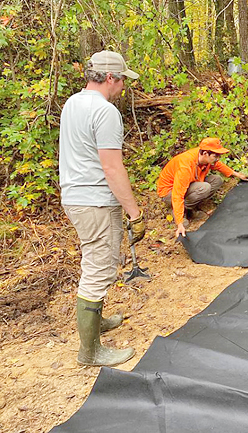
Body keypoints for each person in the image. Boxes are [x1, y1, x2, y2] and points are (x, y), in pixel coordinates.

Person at [59, 50, 145, 366]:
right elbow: (112, 168)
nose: (123, 86)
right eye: (122, 79)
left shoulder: (73, 103)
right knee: (98, 270)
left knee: (92, 259)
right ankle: (90, 351)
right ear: (110, 77)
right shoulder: (106, 112)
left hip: (74, 197)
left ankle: (97, 322)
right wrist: (135, 213)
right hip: (95, 201)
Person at [157, 137, 248, 238]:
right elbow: (177, 195)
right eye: (215, 156)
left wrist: (237, 174)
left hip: (190, 184)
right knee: (204, 187)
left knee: (216, 180)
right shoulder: (185, 166)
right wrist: (179, 224)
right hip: (169, 193)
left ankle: (190, 208)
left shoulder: (204, 157)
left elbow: (218, 165)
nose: (217, 158)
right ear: (205, 154)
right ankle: (179, 211)